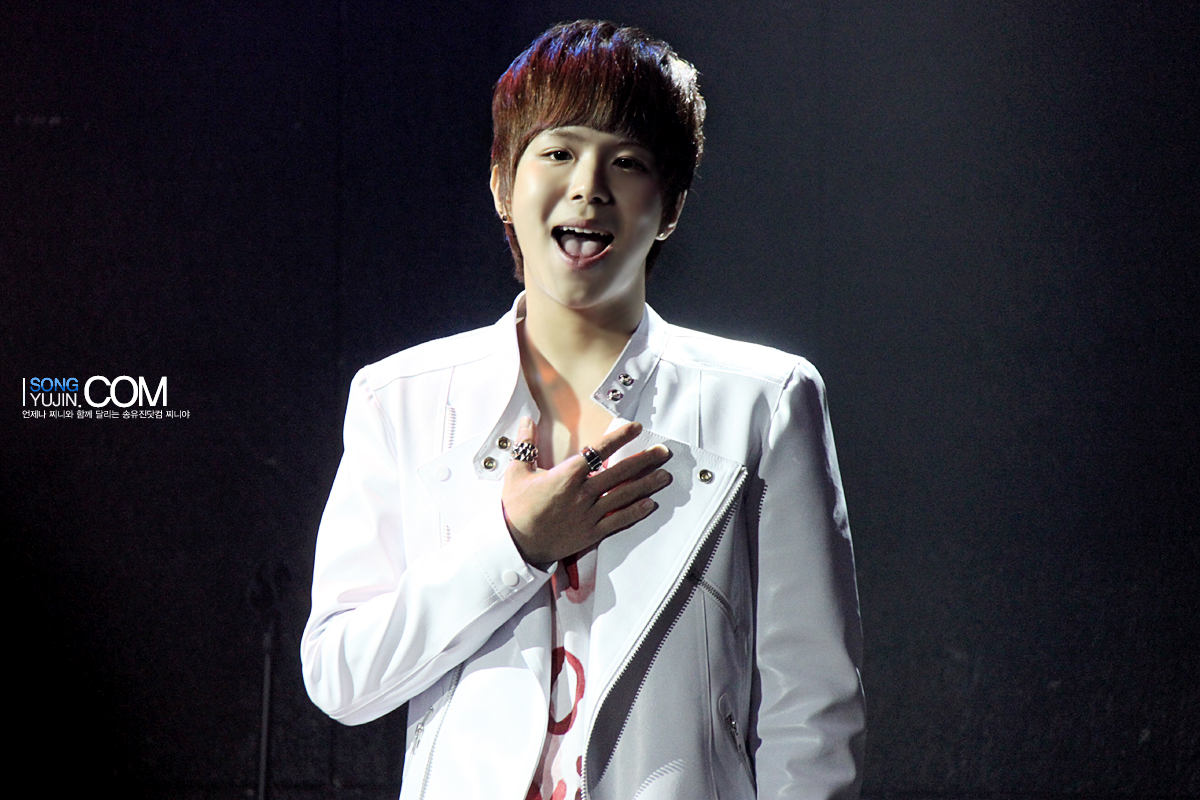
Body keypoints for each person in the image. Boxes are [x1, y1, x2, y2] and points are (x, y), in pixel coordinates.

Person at [302, 20, 864, 800]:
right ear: (502, 184)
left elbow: (812, 714)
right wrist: (514, 546)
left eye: (626, 162)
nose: (588, 186)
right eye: (558, 152)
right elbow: (340, 674)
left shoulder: (764, 402)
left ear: (670, 205)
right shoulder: (402, 399)